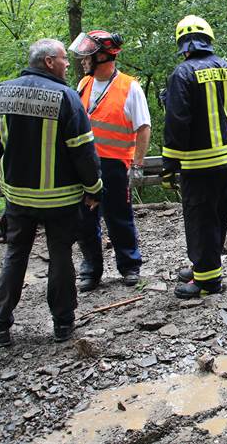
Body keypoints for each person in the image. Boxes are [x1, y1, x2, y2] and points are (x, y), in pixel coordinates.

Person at [0, 39, 102, 346]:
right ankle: (63, 325)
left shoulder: (0, 93)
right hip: (61, 199)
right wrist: (94, 188)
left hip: (18, 198)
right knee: (61, 257)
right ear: (48, 62)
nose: (68, 63)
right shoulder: (66, 98)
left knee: (15, 256)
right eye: (63, 58)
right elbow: (83, 151)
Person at [161, 15, 227, 298]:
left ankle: (208, 281)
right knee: (218, 217)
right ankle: (204, 267)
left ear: (183, 46)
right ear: (209, 40)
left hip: (198, 164)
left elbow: (177, 122)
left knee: (200, 221)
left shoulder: (182, 74)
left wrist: (169, 165)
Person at [68, 30, 150, 291]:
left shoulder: (129, 87)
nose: (83, 61)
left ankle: (130, 266)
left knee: (119, 217)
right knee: (84, 219)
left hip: (115, 164)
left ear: (102, 57)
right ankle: (91, 270)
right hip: (85, 165)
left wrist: (137, 165)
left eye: (87, 56)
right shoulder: (84, 84)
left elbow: (143, 127)